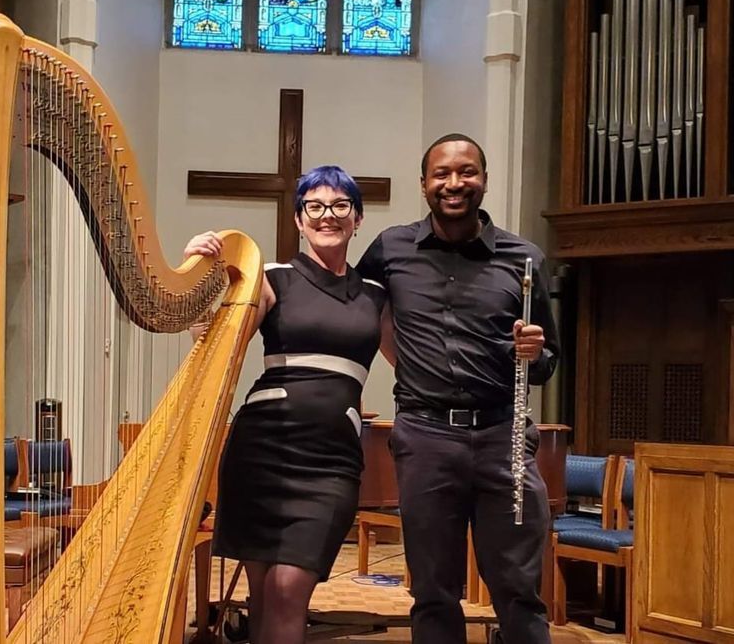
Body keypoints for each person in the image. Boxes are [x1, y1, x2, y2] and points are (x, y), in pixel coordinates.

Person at [355, 133, 560, 644]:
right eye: (442, 174)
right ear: (424, 184)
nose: (454, 183)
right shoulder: (390, 248)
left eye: (466, 172)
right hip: (425, 437)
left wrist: (535, 354)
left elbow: (547, 362)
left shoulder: (524, 257)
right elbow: (348, 306)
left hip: (502, 437)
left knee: (517, 590)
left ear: (484, 180)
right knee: (432, 591)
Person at [184, 165, 387, 644]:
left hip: (332, 458)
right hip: (263, 449)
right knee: (264, 594)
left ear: (357, 218)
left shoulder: (377, 295)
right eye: (314, 206)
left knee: (291, 586)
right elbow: (211, 346)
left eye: (340, 205)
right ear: (299, 220)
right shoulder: (272, 278)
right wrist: (197, 268)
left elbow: (416, 363)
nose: (327, 215)